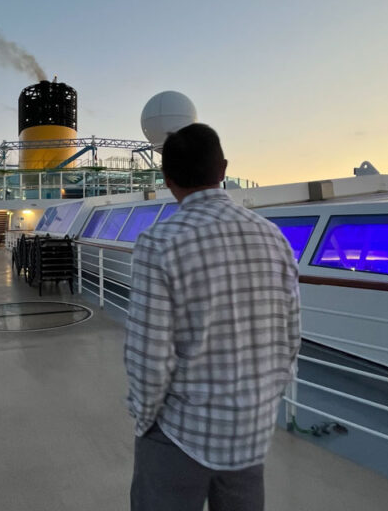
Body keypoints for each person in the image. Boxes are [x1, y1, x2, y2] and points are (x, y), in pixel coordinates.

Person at [125, 123, 301, 511]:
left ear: (167, 179)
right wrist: (263, 404)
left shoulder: (159, 243)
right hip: (251, 432)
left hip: (180, 432)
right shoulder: (274, 238)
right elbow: (290, 339)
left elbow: (148, 357)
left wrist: (144, 419)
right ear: (223, 170)